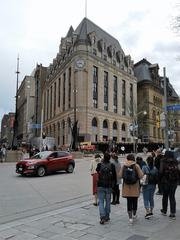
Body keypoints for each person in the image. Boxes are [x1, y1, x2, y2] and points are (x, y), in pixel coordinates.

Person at [119, 154, 143, 224]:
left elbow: (120, 175)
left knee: (129, 202)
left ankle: (130, 218)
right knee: (135, 200)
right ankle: (134, 214)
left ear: (127, 159)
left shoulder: (124, 166)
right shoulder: (136, 166)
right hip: (135, 187)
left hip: (127, 187)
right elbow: (141, 175)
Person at [96, 152, 116, 224]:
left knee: (101, 201)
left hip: (100, 185)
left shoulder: (100, 164)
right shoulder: (112, 165)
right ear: (110, 158)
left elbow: (97, 170)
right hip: (109, 186)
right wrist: (114, 186)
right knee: (108, 201)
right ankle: (107, 216)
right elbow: (114, 177)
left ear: (103, 158)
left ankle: (102, 216)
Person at [159, 150, 180, 220]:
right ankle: (172, 213)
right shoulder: (176, 161)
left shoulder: (163, 161)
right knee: (172, 197)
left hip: (165, 182)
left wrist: (159, 180)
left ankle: (164, 211)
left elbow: (161, 171)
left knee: (165, 196)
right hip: (174, 182)